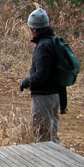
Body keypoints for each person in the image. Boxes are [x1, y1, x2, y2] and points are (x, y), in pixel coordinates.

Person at [19, 8, 61, 143]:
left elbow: (41, 75)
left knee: (42, 135)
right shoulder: (53, 41)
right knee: (52, 133)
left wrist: (26, 82)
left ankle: (47, 162)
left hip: (44, 96)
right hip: (54, 94)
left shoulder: (43, 46)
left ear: (34, 28)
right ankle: (57, 159)